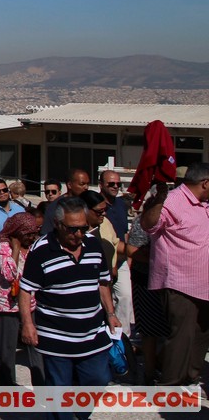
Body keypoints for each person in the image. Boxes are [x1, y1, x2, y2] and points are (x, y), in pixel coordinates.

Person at [19, 198, 118, 420]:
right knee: (59, 389)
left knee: (99, 378)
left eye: (83, 228)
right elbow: (26, 290)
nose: (79, 234)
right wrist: (27, 324)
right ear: (58, 225)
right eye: (73, 229)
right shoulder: (41, 250)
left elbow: (103, 283)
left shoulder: (94, 245)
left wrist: (110, 314)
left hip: (92, 332)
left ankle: (79, 414)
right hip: (56, 335)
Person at [141, 162, 209, 390]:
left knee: (201, 334)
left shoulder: (205, 203)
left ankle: (191, 377)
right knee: (182, 335)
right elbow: (148, 225)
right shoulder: (172, 200)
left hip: (204, 283)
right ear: (206, 184)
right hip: (180, 281)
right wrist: (158, 199)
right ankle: (170, 385)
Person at [0, 212, 43, 386]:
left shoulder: (33, 247)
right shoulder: (2, 247)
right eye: (28, 234)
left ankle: (41, 385)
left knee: (36, 345)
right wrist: (15, 249)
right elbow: (8, 274)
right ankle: (7, 389)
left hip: (29, 304)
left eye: (34, 234)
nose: (31, 238)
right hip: (6, 305)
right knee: (6, 349)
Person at [125, 192, 169, 384]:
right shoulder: (142, 222)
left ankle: (162, 364)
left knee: (175, 329)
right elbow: (132, 250)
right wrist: (158, 259)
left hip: (171, 282)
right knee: (150, 330)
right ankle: (150, 372)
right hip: (146, 280)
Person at [98, 170, 133, 335]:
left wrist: (128, 258)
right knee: (104, 301)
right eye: (111, 184)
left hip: (121, 259)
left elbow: (124, 234)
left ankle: (123, 338)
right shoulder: (95, 204)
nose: (115, 187)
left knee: (125, 297)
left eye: (118, 184)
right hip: (101, 261)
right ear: (101, 185)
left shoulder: (120, 204)